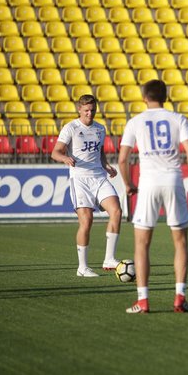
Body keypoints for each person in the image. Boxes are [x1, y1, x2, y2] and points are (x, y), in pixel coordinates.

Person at [118, 80, 188, 314]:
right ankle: (180, 298)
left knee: (142, 244)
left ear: (144, 97)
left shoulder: (135, 122)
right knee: (180, 242)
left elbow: (123, 159)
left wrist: (128, 184)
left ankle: (143, 301)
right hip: (173, 180)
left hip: (149, 182)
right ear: (166, 96)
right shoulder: (178, 119)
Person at [51, 94, 122, 278]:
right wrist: (65, 158)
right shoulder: (71, 128)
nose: (90, 113)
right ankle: (82, 267)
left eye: (92, 110)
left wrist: (106, 166)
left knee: (116, 211)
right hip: (80, 179)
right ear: (80, 110)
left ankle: (109, 259)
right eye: (86, 110)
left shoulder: (100, 129)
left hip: (99, 177)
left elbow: (100, 152)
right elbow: (55, 152)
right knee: (87, 221)